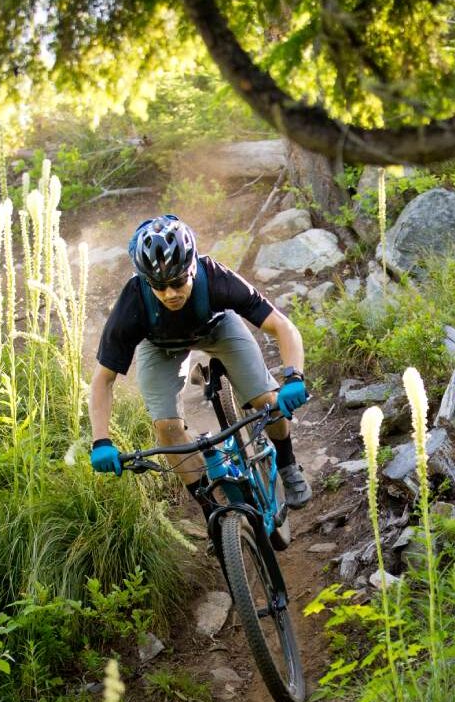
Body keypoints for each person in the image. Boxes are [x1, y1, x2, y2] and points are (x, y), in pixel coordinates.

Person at [87, 214, 312, 508]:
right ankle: (210, 509)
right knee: (166, 427)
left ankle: (287, 463)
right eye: (158, 285)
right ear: (145, 280)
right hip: (160, 347)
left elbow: (282, 326)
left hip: (217, 328)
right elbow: (103, 379)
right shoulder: (132, 303)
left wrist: (294, 377)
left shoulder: (217, 277)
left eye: (178, 282)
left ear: (192, 266)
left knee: (267, 400)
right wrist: (101, 441)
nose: (170, 293)